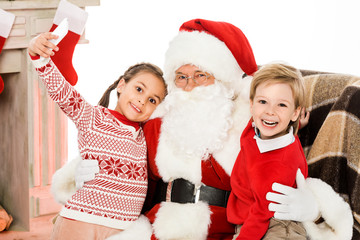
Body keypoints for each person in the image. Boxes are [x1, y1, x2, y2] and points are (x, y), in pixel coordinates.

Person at [52, 19, 353, 240]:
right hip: (159, 226)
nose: (190, 85)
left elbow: (284, 165)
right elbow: (118, 144)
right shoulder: (159, 120)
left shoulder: (250, 122)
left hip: (224, 229)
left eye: (200, 75)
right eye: (181, 77)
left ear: (223, 79)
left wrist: (312, 208)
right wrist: (84, 172)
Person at [28, 31, 167, 240]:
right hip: (81, 221)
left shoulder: (145, 134)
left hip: (123, 231)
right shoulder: (93, 117)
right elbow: (63, 93)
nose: (142, 101)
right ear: (122, 85)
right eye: (139, 89)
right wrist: (38, 56)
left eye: (153, 100)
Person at [227, 63, 308, 239]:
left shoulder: (279, 164)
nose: (270, 111)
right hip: (253, 217)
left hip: (277, 225)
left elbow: (262, 212)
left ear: (295, 113)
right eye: (263, 101)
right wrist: (296, 122)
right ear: (252, 105)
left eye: (281, 105)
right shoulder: (255, 129)